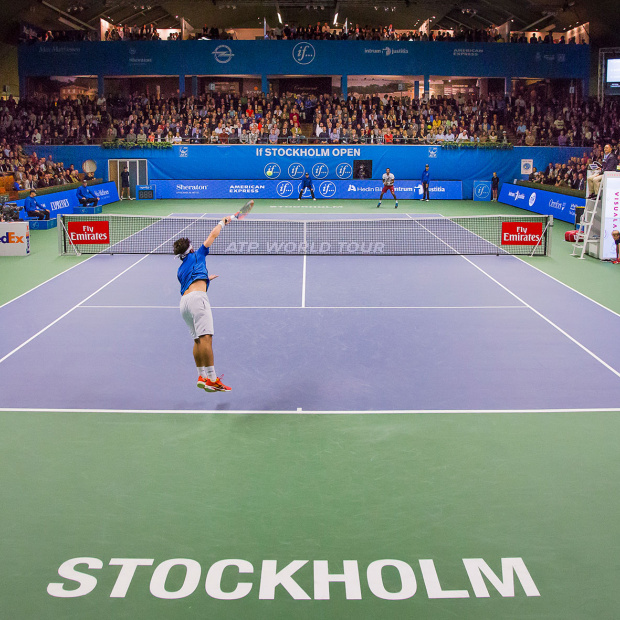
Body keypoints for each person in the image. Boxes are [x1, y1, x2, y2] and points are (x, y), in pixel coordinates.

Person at [173, 218, 232, 393]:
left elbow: (191, 281)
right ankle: (212, 379)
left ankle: (202, 376)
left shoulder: (180, 270)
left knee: (197, 340)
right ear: (191, 249)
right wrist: (223, 222)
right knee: (206, 338)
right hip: (198, 300)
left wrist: (206, 278)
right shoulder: (198, 254)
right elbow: (213, 235)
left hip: (184, 304)